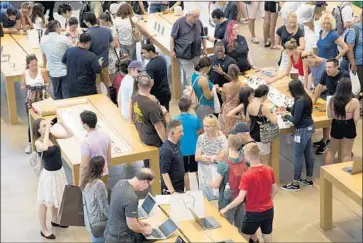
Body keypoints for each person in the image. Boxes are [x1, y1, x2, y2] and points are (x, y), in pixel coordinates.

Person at [220, 143, 278, 243]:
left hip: (253, 213)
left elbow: (240, 198)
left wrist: (226, 208)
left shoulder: (247, 175)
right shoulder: (269, 170)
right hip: (269, 210)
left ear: (247, 156)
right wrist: (268, 201)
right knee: (267, 235)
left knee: (244, 237)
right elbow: (275, 190)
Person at [33, 116, 73, 239]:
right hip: (48, 176)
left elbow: (70, 134)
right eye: (44, 126)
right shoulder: (38, 142)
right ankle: (43, 228)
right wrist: (47, 132)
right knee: (44, 202)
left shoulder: (52, 136)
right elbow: (44, 148)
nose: (47, 127)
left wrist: (62, 123)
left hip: (58, 173)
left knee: (57, 198)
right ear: (38, 130)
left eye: (47, 124)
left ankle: (55, 219)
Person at [281, 80, 315, 192]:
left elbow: (295, 120)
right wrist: (288, 109)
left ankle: (295, 183)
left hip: (302, 131)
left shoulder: (300, 101)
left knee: (297, 157)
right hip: (310, 127)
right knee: (308, 154)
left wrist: (286, 116)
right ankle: (309, 179)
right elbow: (301, 112)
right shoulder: (306, 98)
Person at [208, 134, 248, 230]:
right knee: (241, 223)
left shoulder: (224, 165)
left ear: (228, 145)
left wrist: (210, 183)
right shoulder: (245, 160)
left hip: (227, 198)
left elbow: (217, 185)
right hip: (241, 196)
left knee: (225, 225)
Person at [104, 168, 154, 243]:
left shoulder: (120, 182)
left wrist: (138, 222)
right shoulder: (131, 197)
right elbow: (132, 226)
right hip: (121, 239)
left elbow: (121, 211)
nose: (147, 188)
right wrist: (146, 230)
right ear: (144, 182)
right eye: (149, 185)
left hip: (110, 233)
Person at [313, 58, 350, 154]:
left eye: (329, 67)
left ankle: (335, 146)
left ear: (336, 67)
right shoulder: (326, 73)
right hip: (331, 100)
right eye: (326, 67)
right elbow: (320, 87)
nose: (327, 69)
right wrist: (313, 101)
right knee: (325, 118)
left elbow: (343, 93)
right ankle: (325, 140)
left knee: (335, 125)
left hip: (342, 103)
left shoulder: (344, 75)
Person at [132, 73, 168, 167]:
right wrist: (165, 142)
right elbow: (159, 126)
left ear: (138, 85)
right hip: (154, 141)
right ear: (151, 85)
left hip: (143, 134)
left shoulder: (135, 97)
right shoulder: (151, 106)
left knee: (148, 164)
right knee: (158, 166)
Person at [325, 78, 360, 164]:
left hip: (336, 124)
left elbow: (329, 115)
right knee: (347, 154)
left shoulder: (331, 100)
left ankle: (326, 174)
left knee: (331, 151)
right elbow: (356, 119)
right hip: (349, 126)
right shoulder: (354, 101)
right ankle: (344, 175)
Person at [170, 8, 207, 85]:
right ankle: (193, 92)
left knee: (196, 73)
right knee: (191, 76)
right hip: (185, 54)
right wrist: (172, 50)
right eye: (194, 17)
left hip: (196, 53)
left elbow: (203, 36)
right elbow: (172, 37)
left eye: (198, 17)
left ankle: (194, 89)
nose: (196, 19)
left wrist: (205, 48)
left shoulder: (199, 22)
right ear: (188, 15)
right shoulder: (179, 22)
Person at [21, 55, 49, 154]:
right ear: (28, 65)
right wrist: (28, 87)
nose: (34, 67)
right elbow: (22, 87)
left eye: (36, 64)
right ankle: (30, 143)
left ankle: (45, 141)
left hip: (42, 99)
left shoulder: (42, 71)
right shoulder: (25, 74)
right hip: (31, 100)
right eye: (32, 65)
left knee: (44, 122)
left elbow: (47, 83)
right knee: (31, 122)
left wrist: (43, 86)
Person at [195, 114, 228, 200]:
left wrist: (205, 156)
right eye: (204, 126)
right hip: (203, 171)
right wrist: (213, 158)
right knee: (205, 195)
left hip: (217, 171)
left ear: (214, 126)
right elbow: (197, 157)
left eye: (208, 126)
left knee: (217, 194)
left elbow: (222, 158)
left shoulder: (221, 138)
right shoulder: (201, 138)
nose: (205, 129)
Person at [62, 33, 103, 98]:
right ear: (88, 42)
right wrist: (100, 64)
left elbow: (63, 61)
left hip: (71, 86)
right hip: (87, 88)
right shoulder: (92, 56)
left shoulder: (69, 51)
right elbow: (97, 70)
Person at [174, 96, 202, 191]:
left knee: (185, 172)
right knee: (196, 171)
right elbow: (199, 130)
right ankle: (199, 189)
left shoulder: (175, 120)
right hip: (194, 149)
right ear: (189, 107)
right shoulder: (195, 118)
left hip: (182, 149)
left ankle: (188, 189)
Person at [40, 20, 73, 99]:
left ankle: (59, 110)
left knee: (57, 95)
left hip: (53, 72)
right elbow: (72, 53)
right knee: (67, 95)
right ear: (57, 28)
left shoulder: (43, 40)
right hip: (65, 71)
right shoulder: (64, 39)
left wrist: (44, 67)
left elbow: (43, 55)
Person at [81, 156, 109, 243]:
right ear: (100, 167)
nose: (106, 166)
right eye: (105, 164)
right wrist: (114, 218)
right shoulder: (99, 184)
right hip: (99, 222)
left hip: (90, 221)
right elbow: (104, 207)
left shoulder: (86, 180)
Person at [84, 12, 114, 93]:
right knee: (107, 82)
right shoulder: (107, 30)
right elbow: (112, 45)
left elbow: (85, 50)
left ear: (87, 22)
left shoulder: (87, 34)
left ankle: (100, 102)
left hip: (94, 64)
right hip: (105, 62)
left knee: (97, 85)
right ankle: (113, 98)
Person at [247, 85, 277, 164]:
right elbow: (274, 121)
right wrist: (274, 113)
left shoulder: (250, 103)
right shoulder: (263, 108)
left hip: (252, 133)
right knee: (264, 162)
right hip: (262, 136)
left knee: (254, 161)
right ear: (264, 95)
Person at [80, 110, 111, 184]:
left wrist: (81, 181)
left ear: (85, 125)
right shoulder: (106, 136)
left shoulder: (86, 142)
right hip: (104, 172)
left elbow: (84, 165)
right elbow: (109, 156)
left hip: (92, 176)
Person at [141, 43, 171, 111]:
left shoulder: (149, 66)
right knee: (166, 111)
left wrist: (145, 93)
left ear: (151, 52)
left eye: (145, 53)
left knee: (158, 113)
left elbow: (151, 83)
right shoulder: (162, 59)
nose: (143, 55)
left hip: (157, 94)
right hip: (166, 90)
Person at [218, 64, 246, 135]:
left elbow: (223, 99)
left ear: (229, 74)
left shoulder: (225, 86)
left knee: (227, 131)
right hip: (237, 110)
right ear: (238, 72)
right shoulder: (243, 85)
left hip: (227, 109)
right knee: (238, 131)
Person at [275, 12, 305, 77]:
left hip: (295, 55)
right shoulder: (280, 29)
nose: (292, 24)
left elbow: (302, 46)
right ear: (286, 20)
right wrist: (281, 48)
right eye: (290, 22)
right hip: (285, 54)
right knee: (282, 73)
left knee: (295, 75)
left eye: (294, 22)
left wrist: (293, 50)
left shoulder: (299, 30)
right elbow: (276, 44)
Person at [160, 120, 185, 194]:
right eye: (180, 132)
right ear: (171, 134)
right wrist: (172, 192)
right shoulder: (166, 151)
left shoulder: (177, 143)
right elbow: (164, 173)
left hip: (179, 185)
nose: (182, 134)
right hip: (172, 189)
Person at [192, 56, 216, 121]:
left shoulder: (194, 75)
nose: (210, 68)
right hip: (205, 107)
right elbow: (208, 97)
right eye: (209, 66)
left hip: (199, 105)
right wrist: (214, 89)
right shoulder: (203, 80)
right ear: (205, 67)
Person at [99, 12, 120, 84]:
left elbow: (115, 45)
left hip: (110, 57)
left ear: (107, 21)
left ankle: (112, 93)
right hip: (106, 56)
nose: (101, 25)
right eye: (100, 23)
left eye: (103, 23)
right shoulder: (106, 30)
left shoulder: (111, 30)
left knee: (110, 80)